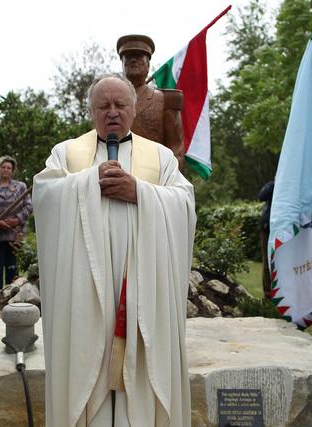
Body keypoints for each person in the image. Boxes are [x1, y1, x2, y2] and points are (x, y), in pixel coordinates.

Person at [33, 74, 195, 426]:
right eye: (103, 105)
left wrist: (139, 191)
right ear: (91, 111)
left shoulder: (161, 157)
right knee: (87, 356)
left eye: (120, 105)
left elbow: (183, 202)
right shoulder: (67, 153)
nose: (112, 112)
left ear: (134, 110)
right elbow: (44, 195)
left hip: (142, 287)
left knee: (141, 360)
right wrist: (90, 182)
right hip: (85, 289)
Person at [117, 34, 184, 166]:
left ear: (148, 65)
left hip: (154, 178)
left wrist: (169, 181)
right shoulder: (109, 100)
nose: (133, 60)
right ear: (122, 64)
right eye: (129, 56)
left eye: (139, 56)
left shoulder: (166, 100)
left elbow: (176, 150)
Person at [0, 156, 32, 299]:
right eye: (3, 167)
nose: (6, 170)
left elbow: (29, 205)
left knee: (12, 268)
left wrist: (16, 220)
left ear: (12, 171)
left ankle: (12, 298)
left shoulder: (20, 186)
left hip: (14, 235)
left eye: (9, 168)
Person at [257, 180, 274, 299]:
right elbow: (261, 196)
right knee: (267, 261)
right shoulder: (273, 185)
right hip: (267, 227)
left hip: (283, 228)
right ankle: (268, 293)